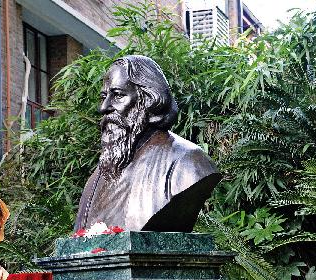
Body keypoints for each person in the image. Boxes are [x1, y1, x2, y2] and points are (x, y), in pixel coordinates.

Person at [74, 55, 221, 233]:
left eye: (118, 95)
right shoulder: (100, 174)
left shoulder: (188, 162)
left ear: (150, 99)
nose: (104, 108)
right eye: (104, 96)